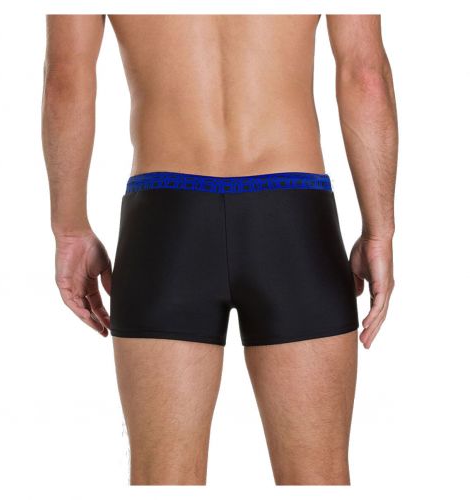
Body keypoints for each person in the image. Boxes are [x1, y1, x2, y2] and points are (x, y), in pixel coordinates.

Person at [42, 14, 397, 485]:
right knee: (318, 481)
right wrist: (379, 231)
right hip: (292, 219)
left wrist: (70, 229)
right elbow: (364, 75)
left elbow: (66, 79)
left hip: (165, 221)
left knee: (162, 482)